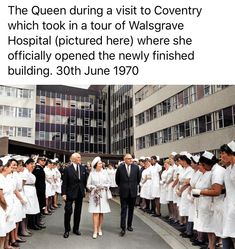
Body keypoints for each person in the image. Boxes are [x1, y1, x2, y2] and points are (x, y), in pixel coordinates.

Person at [62, 153, 87, 238]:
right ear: (73, 159)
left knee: (78, 211)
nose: (80, 158)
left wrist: (85, 189)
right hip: (69, 193)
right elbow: (64, 183)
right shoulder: (67, 169)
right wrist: (64, 193)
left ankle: (76, 229)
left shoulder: (83, 168)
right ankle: (67, 230)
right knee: (68, 211)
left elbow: (84, 181)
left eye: (80, 157)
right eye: (78, 157)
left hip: (79, 192)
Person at [115, 154, 141, 237]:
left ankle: (129, 225)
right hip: (124, 192)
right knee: (123, 210)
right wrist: (123, 186)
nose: (131, 160)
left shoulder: (136, 168)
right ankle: (123, 227)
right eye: (129, 159)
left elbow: (138, 179)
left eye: (131, 158)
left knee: (131, 210)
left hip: (133, 192)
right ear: (124, 159)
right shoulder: (120, 168)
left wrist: (132, 186)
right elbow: (117, 180)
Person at [87, 157, 111, 239]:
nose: (102, 164)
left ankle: (99, 228)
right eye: (100, 163)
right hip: (95, 195)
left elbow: (109, 183)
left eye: (101, 163)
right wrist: (94, 187)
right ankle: (95, 230)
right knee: (95, 212)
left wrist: (104, 186)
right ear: (96, 165)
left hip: (103, 194)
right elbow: (88, 184)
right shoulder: (91, 174)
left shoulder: (105, 172)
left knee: (101, 212)